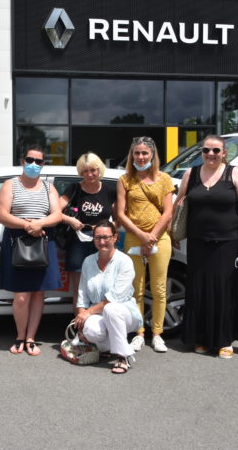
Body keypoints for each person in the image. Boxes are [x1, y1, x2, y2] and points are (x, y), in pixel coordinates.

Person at [177, 135, 238, 358]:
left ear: (224, 153)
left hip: (228, 242)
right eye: (206, 150)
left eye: (215, 150)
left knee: (224, 290)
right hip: (197, 242)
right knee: (199, 289)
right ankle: (201, 338)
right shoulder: (191, 174)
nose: (210, 154)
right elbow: (179, 203)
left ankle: (224, 340)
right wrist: (175, 232)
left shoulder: (235, 173)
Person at [0, 145, 62, 356]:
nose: (34, 164)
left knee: (38, 294)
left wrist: (39, 224)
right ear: (23, 161)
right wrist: (28, 225)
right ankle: (20, 336)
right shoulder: (10, 185)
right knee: (21, 296)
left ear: (43, 164)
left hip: (42, 242)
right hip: (18, 243)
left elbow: (57, 215)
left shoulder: (49, 188)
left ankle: (31, 338)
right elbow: (3, 215)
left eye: (38, 161)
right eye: (30, 160)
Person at [116, 136, 175, 353]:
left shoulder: (164, 179)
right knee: (135, 289)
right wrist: (142, 235)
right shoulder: (125, 180)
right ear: (131, 155)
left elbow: (168, 212)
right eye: (137, 153)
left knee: (159, 288)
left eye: (144, 153)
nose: (140, 157)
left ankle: (157, 334)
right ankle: (139, 333)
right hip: (134, 237)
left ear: (152, 155)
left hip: (160, 238)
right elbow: (121, 214)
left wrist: (152, 236)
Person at [74, 221, 143, 374]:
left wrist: (87, 312)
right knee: (90, 330)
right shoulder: (88, 261)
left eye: (106, 237)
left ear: (115, 238)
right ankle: (108, 346)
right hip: (98, 313)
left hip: (124, 313)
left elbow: (113, 298)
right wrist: (81, 320)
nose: (102, 242)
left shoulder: (125, 261)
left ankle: (122, 356)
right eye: (98, 237)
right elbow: (82, 294)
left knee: (111, 309)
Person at [58, 152, 116, 311]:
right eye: (85, 171)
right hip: (78, 242)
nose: (89, 174)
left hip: (102, 242)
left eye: (93, 170)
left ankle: (100, 321)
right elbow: (55, 211)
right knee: (79, 288)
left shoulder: (109, 191)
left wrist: (107, 229)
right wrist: (69, 220)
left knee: (103, 284)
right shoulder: (74, 189)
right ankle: (80, 322)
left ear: (99, 170)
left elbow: (119, 219)